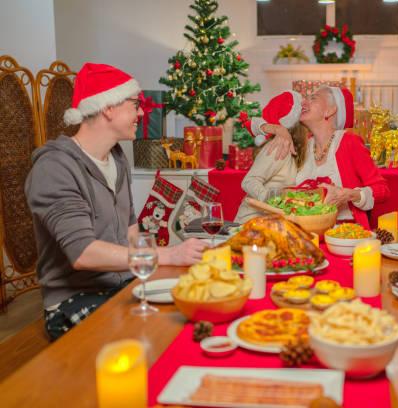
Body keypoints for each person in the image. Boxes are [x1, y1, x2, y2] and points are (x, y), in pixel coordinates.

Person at [25, 63, 207, 340]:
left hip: (122, 285)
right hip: (75, 300)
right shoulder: (55, 167)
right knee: (156, 336)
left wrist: (154, 273)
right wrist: (166, 255)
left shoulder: (117, 157)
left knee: (191, 312)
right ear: (108, 107)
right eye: (136, 103)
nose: (142, 112)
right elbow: (83, 253)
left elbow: (130, 230)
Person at [266, 86, 390, 228]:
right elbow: (260, 125)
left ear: (330, 110)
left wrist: (348, 194)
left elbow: (383, 189)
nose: (303, 103)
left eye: (313, 98)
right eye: (305, 98)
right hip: (304, 231)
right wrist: (279, 130)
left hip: (344, 232)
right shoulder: (302, 145)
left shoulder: (349, 142)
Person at [234, 91, 307, 223]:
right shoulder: (278, 148)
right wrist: (272, 201)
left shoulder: (294, 148)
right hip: (251, 223)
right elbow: (249, 181)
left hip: (270, 221)